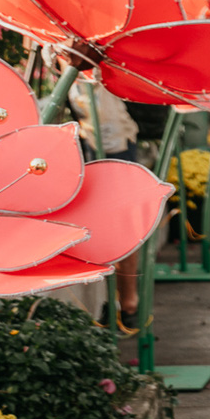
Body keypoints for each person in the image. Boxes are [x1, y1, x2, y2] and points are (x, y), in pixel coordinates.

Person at [70, 81, 145, 327]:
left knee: (121, 222)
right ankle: (122, 302)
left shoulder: (91, 69)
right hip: (97, 142)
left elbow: (104, 116)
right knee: (109, 223)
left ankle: (128, 300)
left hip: (112, 144)